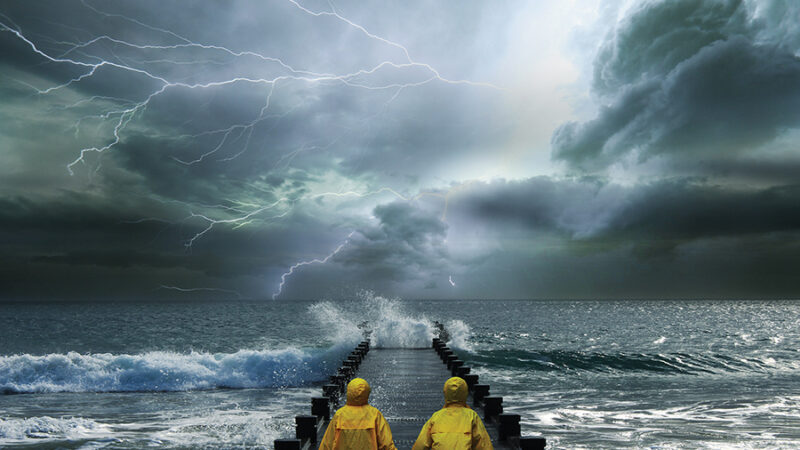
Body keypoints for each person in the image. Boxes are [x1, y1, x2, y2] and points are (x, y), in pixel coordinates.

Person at [411, 377, 493, 450]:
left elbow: (421, 444)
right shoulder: (472, 416)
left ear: (445, 393)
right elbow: (483, 444)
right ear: (465, 393)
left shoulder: (436, 416)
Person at [320, 377, 396, 450]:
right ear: (367, 393)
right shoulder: (374, 414)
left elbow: (328, 443)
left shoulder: (340, 414)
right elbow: (386, 444)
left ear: (349, 392)